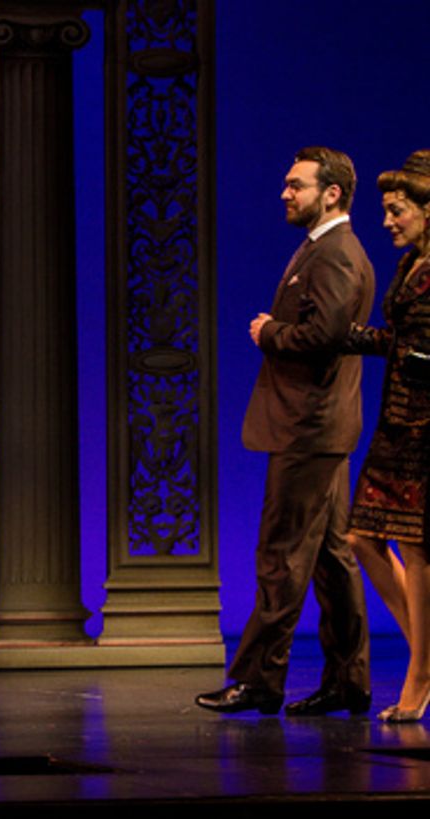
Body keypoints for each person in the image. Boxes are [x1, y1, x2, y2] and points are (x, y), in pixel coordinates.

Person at [196, 146, 374, 716]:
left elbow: (323, 335)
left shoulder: (335, 255)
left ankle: (258, 679)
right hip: (320, 428)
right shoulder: (324, 250)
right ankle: (348, 679)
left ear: (332, 194)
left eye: (295, 185)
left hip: (309, 429)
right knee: (329, 557)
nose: (284, 194)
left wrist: (270, 331)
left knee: (282, 556)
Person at [344, 150, 430, 722]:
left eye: (397, 210)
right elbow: (400, 341)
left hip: (425, 429)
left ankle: (419, 676)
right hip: (395, 424)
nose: (388, 221)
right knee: (361, 539)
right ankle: (427, 656)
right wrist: (345, 336)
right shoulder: (409, 266)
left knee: (420, 551)